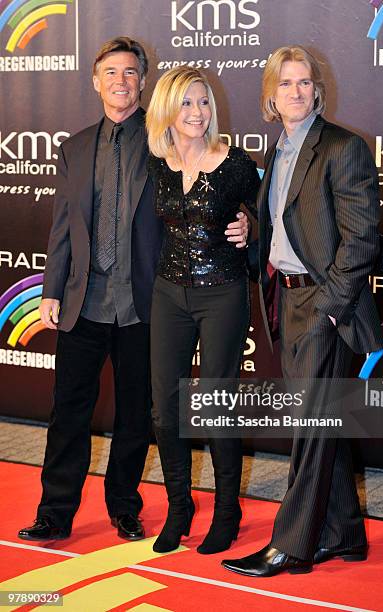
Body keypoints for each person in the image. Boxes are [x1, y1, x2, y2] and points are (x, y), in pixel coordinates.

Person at [17, 37, 250, 543]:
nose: (121, 81)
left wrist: (243, 224)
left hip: (146, 302)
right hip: (84, 301)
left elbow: (212, 193)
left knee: (135, 416)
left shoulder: (165, 141)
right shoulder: (74, 147)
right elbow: (62, 227)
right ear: (95, 81)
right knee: (68, 413)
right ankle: (55, 513)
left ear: (144, 82)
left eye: (130, 73)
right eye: (111, 72)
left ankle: (125, 507)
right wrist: (51, 289)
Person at [222, 46, 383, 576]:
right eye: (285, 83)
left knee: (310, 426)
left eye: (304, 82)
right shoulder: (282, 149)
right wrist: (252, 239)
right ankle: (343, 535)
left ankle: (289, 544)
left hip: (323, 301)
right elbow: (284, 228)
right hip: (285, 298)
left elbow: (362, 241)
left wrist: (329, 311)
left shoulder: (343, 147)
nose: (296, 91)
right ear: (271, 94)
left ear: (317, 89)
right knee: (317, 423)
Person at [146, 66, 260, 555]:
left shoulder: (235, 163)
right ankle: (179, 506)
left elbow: (272, 216)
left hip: (223, 293)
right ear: (168, 110)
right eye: (187, 103)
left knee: (216, 407)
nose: (197, 112)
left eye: (204, 102)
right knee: (164, 407)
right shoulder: (157, 162)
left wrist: (251, 227)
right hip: (169, 293)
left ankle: (228, 511)